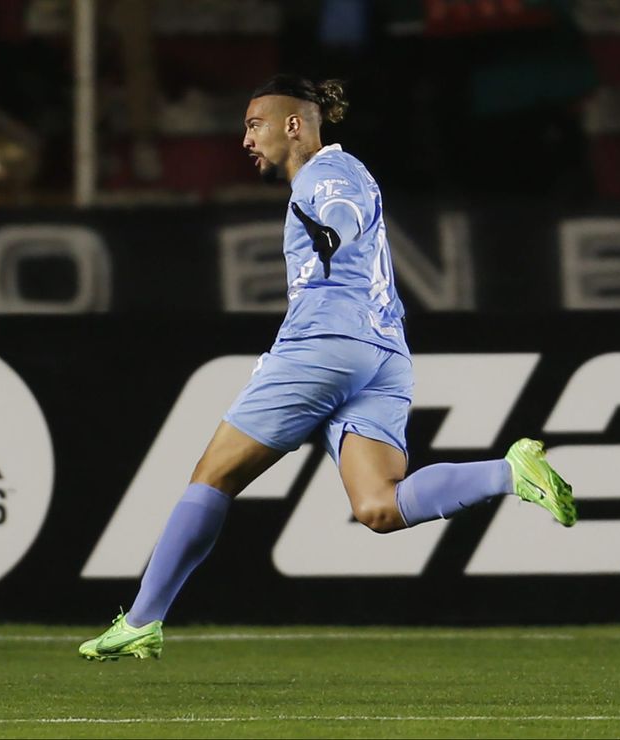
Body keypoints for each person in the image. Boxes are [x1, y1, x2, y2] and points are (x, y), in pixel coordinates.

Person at [77, 74, 577, 661]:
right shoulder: (349, 171)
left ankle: (143, 619)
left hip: (324, 345)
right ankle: (508, 473)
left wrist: (332, 231)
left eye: (253, 124)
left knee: (212, 477)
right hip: (384, 353)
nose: (246, 140)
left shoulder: (325, 175)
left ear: (293, 125)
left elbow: (341, 213)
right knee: (379, 507)